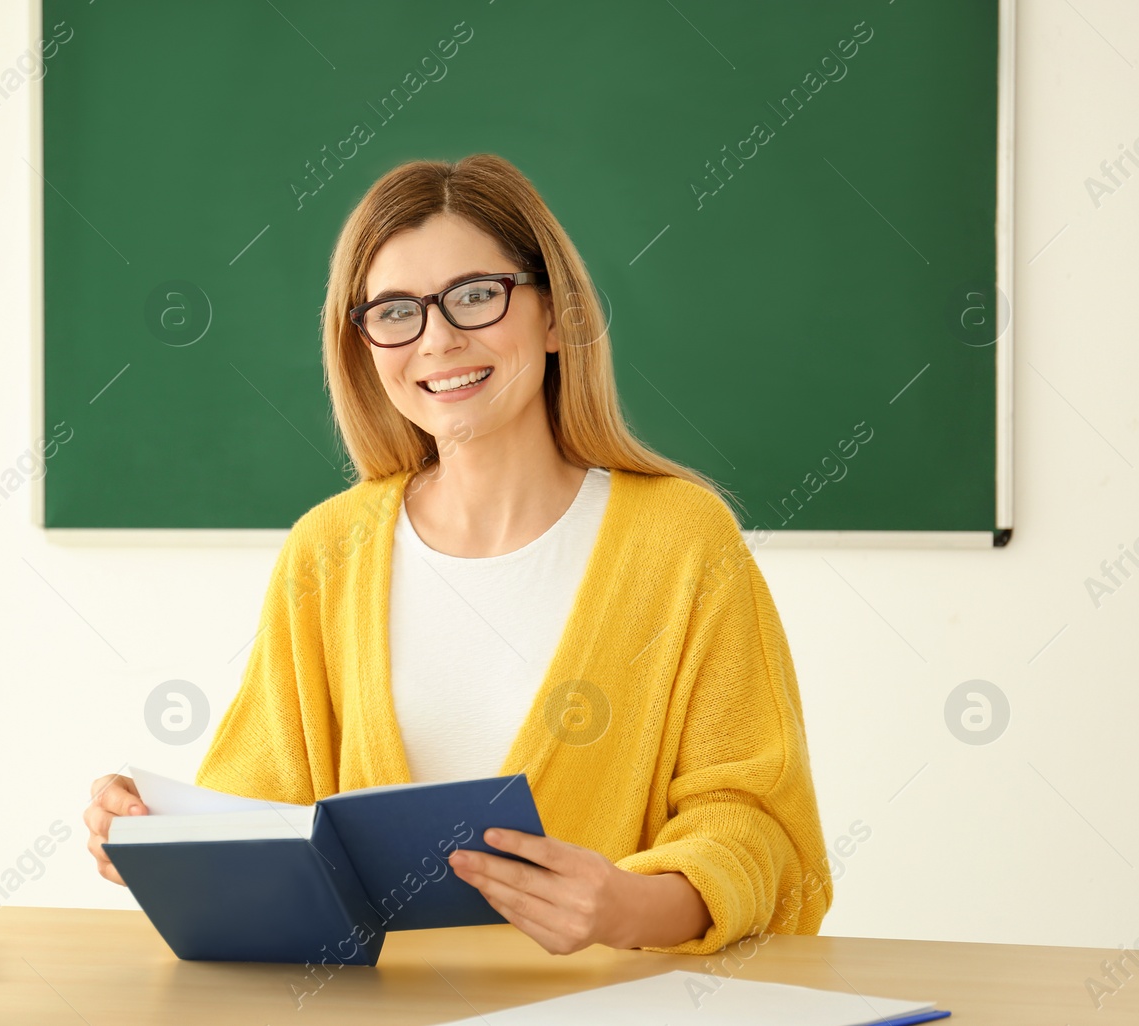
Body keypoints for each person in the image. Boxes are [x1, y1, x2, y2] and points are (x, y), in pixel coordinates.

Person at [86, 153, 832, 956]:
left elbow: (755, 827)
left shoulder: (684, 540)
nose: (438, 339)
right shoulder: (327, 551)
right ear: (365, 343)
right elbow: (262, 818)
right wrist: (156, 838)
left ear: (555, 317)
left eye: (476, 296)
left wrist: (625, 907)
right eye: (395, 311)